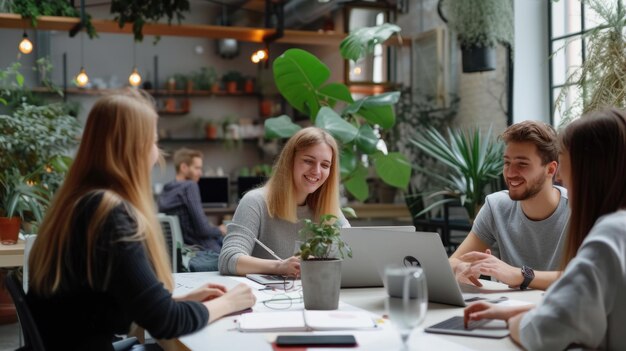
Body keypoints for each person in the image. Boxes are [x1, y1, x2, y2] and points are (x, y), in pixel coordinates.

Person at [27, 90, 255, 350]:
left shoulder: (77, 202)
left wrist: (180, 301)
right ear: (135, 148)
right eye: (154, 141)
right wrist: (229, 302)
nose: (157, 154)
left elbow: (105, 306)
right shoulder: (108, 215)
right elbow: (165, 322)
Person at [464, 108, 626, 350]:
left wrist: (518, 321)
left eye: (565, 164)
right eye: (507, 162)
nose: (561, 176)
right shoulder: (618, 227)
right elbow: (585, 307)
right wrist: (522, 309)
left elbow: (543, 334)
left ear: (588, 171)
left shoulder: (610, 235)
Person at [449, 120, 569, 290]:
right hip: (508, 310)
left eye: (522, 164)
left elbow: (587, 277)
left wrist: (521, 275)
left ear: (550, 170)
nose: (510, 173)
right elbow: (453, 262)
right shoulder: (496, 206)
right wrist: (461, 267)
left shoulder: (578, 209)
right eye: (507, 163)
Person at [218, 127, 350, 276]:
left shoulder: (328, 209)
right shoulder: (255, 202)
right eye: (308, 161)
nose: (317, 171)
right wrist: (279, 266)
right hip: (264, 296)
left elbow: (354, 253)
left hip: (315, 292)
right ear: (290, 161)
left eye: (325, 165)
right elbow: (228, 259)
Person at [158, 148, 225, 271]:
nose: (200, 173)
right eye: (197, 168)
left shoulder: (166, 189)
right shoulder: (190, 186)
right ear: (184, 167)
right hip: (204, 250)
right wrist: (220, 229)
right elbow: (203, 230)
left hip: (185, 249)